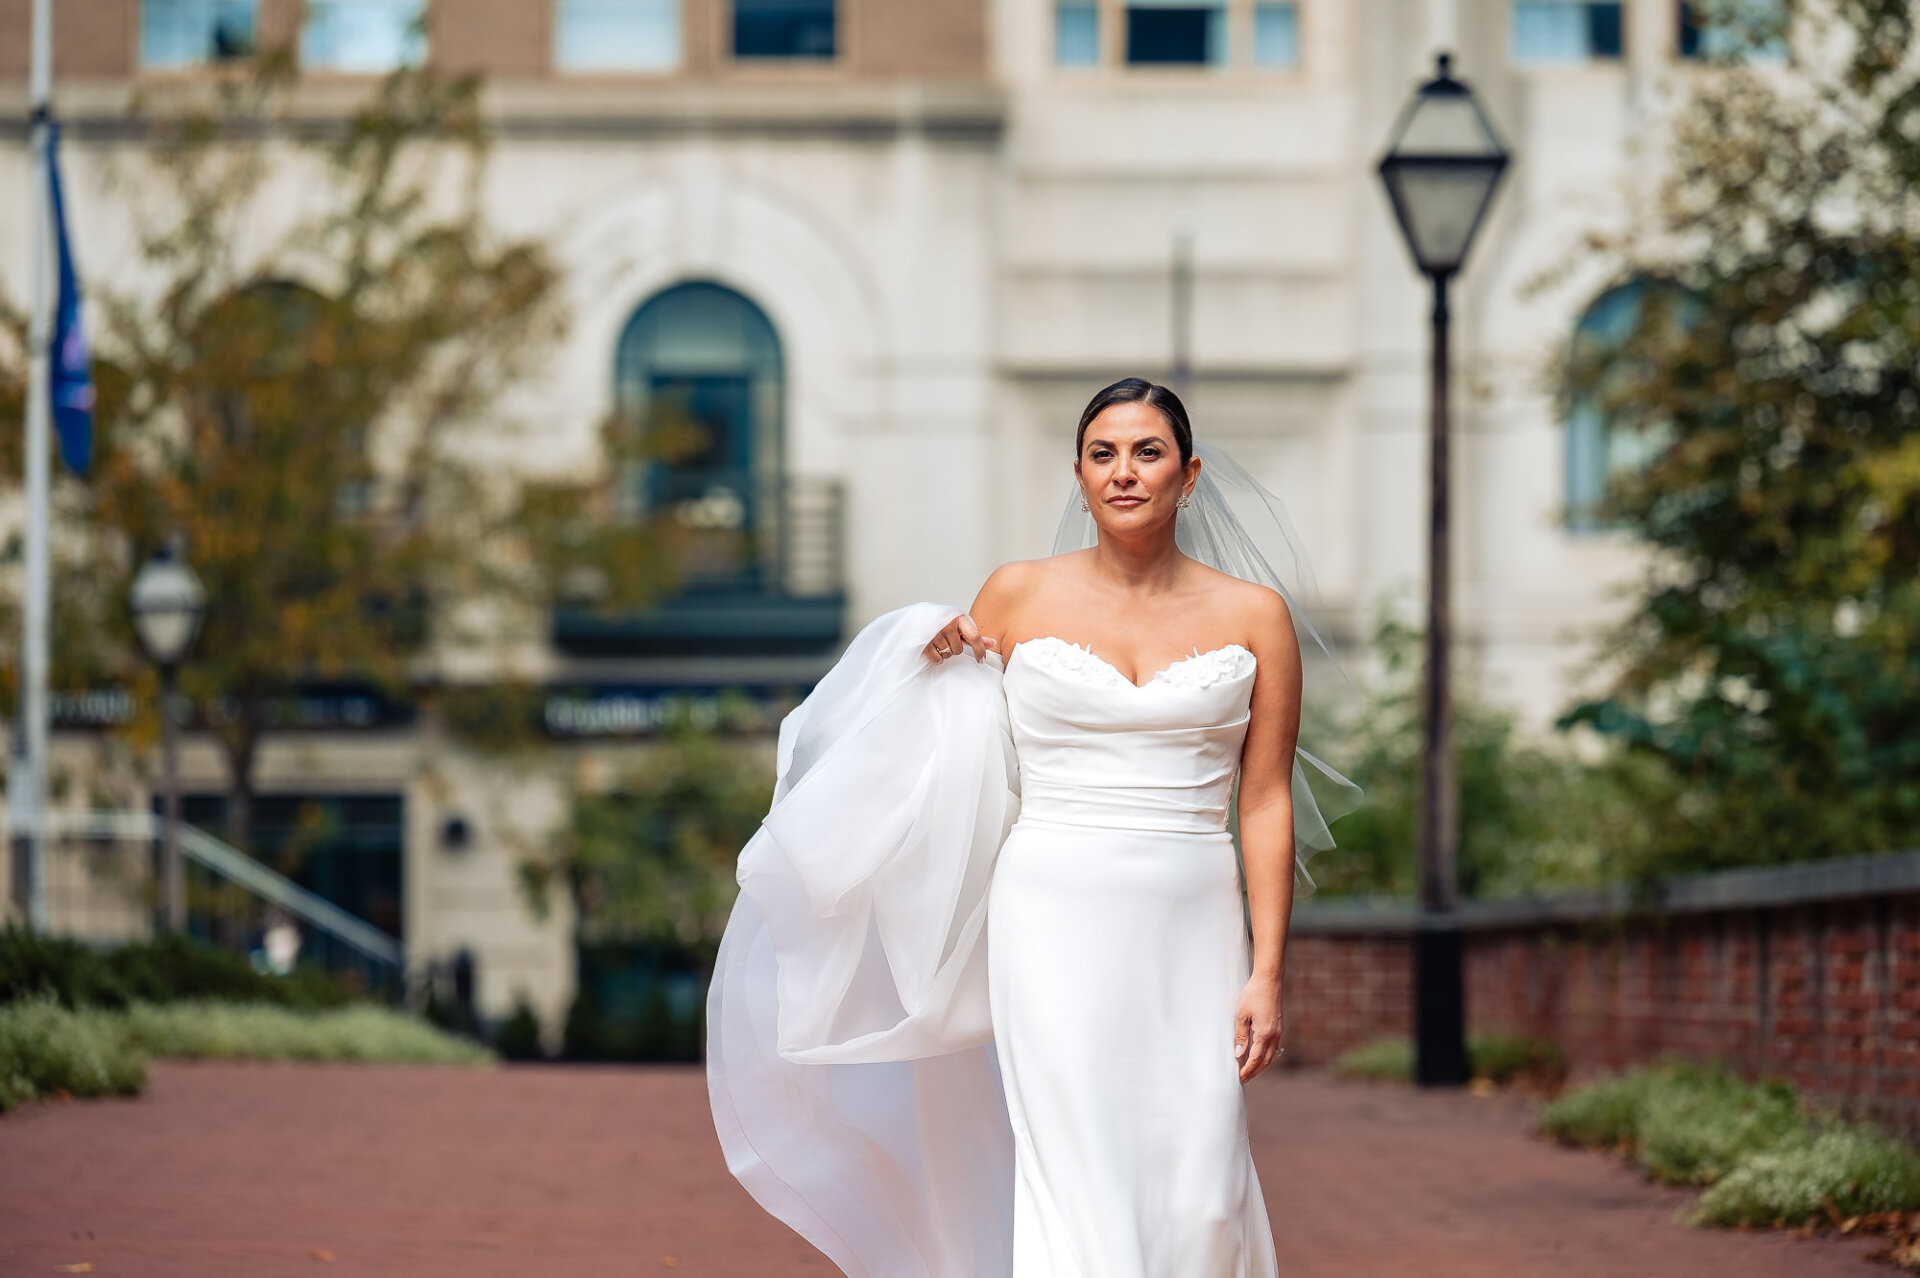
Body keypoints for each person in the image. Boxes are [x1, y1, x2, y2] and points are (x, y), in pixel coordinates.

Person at [707, 377, 1361, 1278]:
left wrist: (1268, 971)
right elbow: (941, 736)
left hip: (1193, 918)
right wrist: (928, 654)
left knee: (1201, 1179)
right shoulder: (1015, 597)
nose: (1124, 472)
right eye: (1102, 454)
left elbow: (1264, 801)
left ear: (1190, 473)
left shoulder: (1256, 617)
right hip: (1050, 913)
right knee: (1074, 1164)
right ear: (1080, 475)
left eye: (1147, 452)